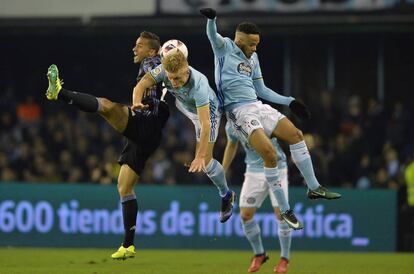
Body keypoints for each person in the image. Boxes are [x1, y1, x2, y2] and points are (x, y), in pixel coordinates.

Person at [200, 8, 341, 230]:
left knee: (296, 135)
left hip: (256, 105)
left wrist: (290, 101)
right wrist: (212, 19)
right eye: (252, 44)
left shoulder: (253, 58)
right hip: (238, 112)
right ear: (239, 40)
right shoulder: (224, 47)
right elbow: (212, 35)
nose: (255, 48)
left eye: (257, 44)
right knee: (270, 154)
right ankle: (285, 210)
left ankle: (313, 187)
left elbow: (262, 89)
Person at [45, 31, 169, 260]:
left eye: (139, 45)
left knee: (108, 107)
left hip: (147, 121)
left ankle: (61, 93)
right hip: (148, 135)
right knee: (124, 188)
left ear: (151, 51)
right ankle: (128, 246)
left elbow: (157, 73)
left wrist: (167, 61)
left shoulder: (153, 62)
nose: (134, 49)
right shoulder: (155, 65)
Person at [132, 49, 236, 223]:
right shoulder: (165, 70)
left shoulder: (199, 86)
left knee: (206, 163)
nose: (174, 83)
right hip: (185, 105)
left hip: (208, 113)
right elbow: (142, 84)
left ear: (186, 69)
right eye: (171, 79)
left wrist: (200, 156)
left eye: (178, 78)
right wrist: (136, 101)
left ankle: (226, 195)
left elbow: (205, 124)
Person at [223, 121, 291, 273]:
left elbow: (285, 132)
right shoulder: (230, 125)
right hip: (254, 170)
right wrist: (223, 170)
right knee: (245, 215)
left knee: (281, 214)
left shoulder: (261, 117)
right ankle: (259, 254)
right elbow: (231, 144)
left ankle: (284, 259)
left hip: (277, 167)